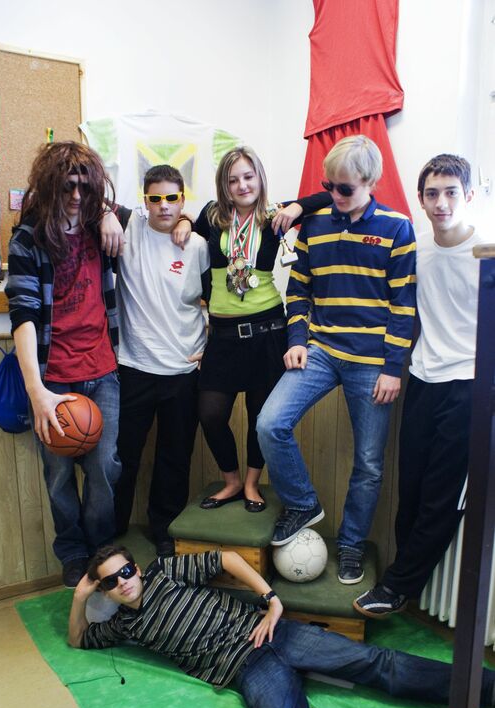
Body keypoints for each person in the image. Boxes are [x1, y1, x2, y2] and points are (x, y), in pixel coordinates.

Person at [68, 544, 495, 708]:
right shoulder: (124, 625)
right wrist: (80, 596)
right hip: (248, 669)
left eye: (126, 570)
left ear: (138, 568)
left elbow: (227, 559)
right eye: (111, 580)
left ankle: (487, 689)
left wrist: (271, 600)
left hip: (274, 632)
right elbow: (78, 639)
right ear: (105, 589)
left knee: (376, 663)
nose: (123, 581)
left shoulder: (165, 572)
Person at [257, 135, 417, 585]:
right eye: (329, 186)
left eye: (345, 188)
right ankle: (303, 503)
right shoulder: (315, 224)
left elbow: (404, 305)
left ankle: (350, 546)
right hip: (322, 351)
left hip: (372, 362)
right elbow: (298, 290)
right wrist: (297, 339)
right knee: (270, 424)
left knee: (368, 464)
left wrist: (392, 368)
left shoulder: (398, 228)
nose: (335, 195)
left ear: (370, 182)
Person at [354, 154, 481, 618]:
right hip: (423, 378)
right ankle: (404, 586)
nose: (441, 203)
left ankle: (397, 585)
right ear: (421, 200)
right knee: (409, 489)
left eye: (451, 193)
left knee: (441, 496)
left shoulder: (487, 251)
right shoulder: (415, 249)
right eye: (432, 194)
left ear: (468, 196)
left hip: (470, 386)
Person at [175, 146, 328, 513]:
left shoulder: (274, 216)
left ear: (260, 178)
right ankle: (230, 481)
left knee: (260, 417)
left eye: (248, 176)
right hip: (223, 337)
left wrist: (297, 207)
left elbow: (326, 196)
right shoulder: (211, 216)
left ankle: (251, 483)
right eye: (233, 180)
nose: (242, 185)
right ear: (224, 185)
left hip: (267, 331)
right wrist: (182, 221)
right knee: (211, 413)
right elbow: (187, 228)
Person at [6, 141, 128, 588]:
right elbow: (23, 317)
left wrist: (111, 212)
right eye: (67, 186)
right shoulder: (28, 240)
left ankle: (102, 551)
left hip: (103, 372)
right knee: (58, 476)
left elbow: (174, 214)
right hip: (53, 380)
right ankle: (74, 553)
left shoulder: (101, 224)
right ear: (49, 185)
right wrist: (37, 392)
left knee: (105, 468)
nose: (77, 196)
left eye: (85, 187)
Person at [113, 164, 210, 557]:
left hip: (184, 369)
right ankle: (111, 529)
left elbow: (219, 300)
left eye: (172, 198)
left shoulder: (198, 244)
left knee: (175, 457)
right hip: (133, 366)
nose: (164, 206)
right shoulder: (126, 230)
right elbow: (93, 198)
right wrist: (105, 216)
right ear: (145, 200)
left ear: (183, 199)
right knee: (121, 456)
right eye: (155, 198)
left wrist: (213, 346)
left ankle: (164, 529)